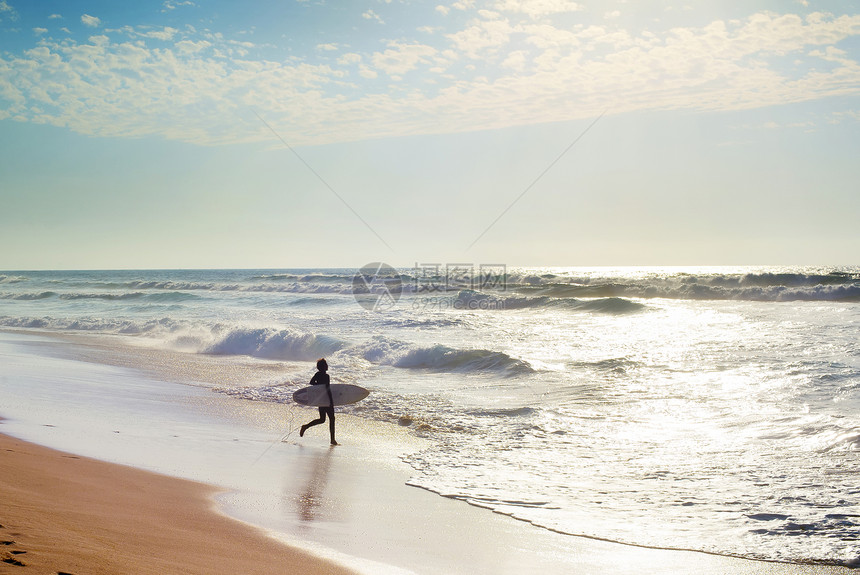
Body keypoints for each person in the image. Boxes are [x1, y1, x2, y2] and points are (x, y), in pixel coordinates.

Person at [299, 358, 337, 445]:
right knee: (332, 419)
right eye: (326, 364)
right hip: (326, 400)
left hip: (320, 400)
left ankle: (305, 426)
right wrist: (331, 401)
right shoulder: (326, 376)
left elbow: (311, 382)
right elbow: (327, 389)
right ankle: (332, 440)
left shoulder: (317, 374)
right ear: (323, 367)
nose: (327, 366)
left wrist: (318, 386)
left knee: (322, 419)